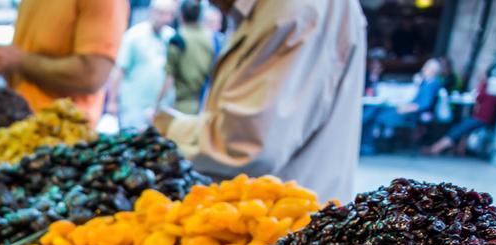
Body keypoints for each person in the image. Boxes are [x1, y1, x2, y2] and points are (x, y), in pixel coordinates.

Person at [152, 0, 365, 202]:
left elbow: (245, 144)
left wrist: (168, 128)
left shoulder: (293, 11)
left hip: (283, 224)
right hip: (278, 219)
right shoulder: (265, 12)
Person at [0, 0, 129, 126]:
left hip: (63, 139)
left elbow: (92, 75)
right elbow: (27, 56)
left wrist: (19, 61)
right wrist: (1, 61)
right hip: (19, 129)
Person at [107, 0, 178, 129]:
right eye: (160, 13)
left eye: (168, 14)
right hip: (133, 106)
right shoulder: (134, 36)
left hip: (160, 107)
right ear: (151, 12)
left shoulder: (172, 37)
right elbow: (119, 70)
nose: (164, 18)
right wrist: (112, 101)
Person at [360, 57, 443, 154]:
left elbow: (424, 104)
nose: (423, 69)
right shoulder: (425, 83)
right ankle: (366, 143)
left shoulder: (432, 84)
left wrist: (406, 108)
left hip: (411, 115)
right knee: (376, 110)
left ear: (432, 70)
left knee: (375, 115)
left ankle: (367, 144)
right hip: (407, 110)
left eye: (426, 67)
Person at [159, 0, 216, 114]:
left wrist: (157, 104)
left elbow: (169, 76)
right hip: (205, 104)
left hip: (183, 106)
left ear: (181, 15)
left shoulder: (178, 39)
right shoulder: (210, 39)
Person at [423, 75, 496, 156]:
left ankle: (436, 148)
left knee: (458, 129)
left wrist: (481, 84)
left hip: (482, 119)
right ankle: (451, 149)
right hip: (484, 118)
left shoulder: (487, 85)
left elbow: (478, 97)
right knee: (461, 126)